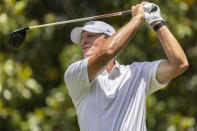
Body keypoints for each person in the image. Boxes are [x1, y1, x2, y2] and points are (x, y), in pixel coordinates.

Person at [64, 2, 189, 131]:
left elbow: (179, 64)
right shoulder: (74, 73)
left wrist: (156, 22)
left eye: (90, 36)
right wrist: (137, 19)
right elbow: (107, 52)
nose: (83, 41)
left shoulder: (137, 72)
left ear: (111, 39)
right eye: (82, 38)